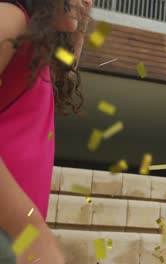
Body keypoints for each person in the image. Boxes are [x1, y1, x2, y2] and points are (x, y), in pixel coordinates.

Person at [0, 0, 92, 263]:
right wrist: (29, 229)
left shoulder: (38, 51)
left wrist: (79, 19)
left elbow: (69, 63)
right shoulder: (10, 17)